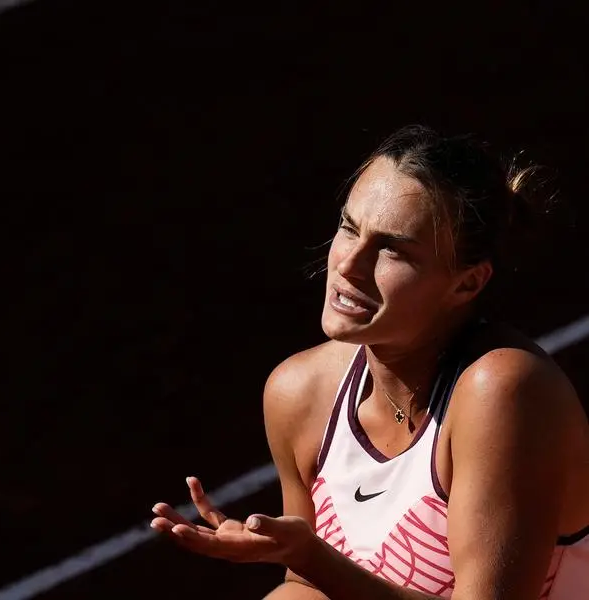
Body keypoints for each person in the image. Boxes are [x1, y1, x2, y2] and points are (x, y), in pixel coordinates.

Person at [149, 125, 589, 599]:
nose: (349, 265)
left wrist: (310, 556)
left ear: (467, 284)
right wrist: (302, 566)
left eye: (392, 250)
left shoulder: (504, 392)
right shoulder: (300, 392)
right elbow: (305, 591)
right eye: (348, 227)